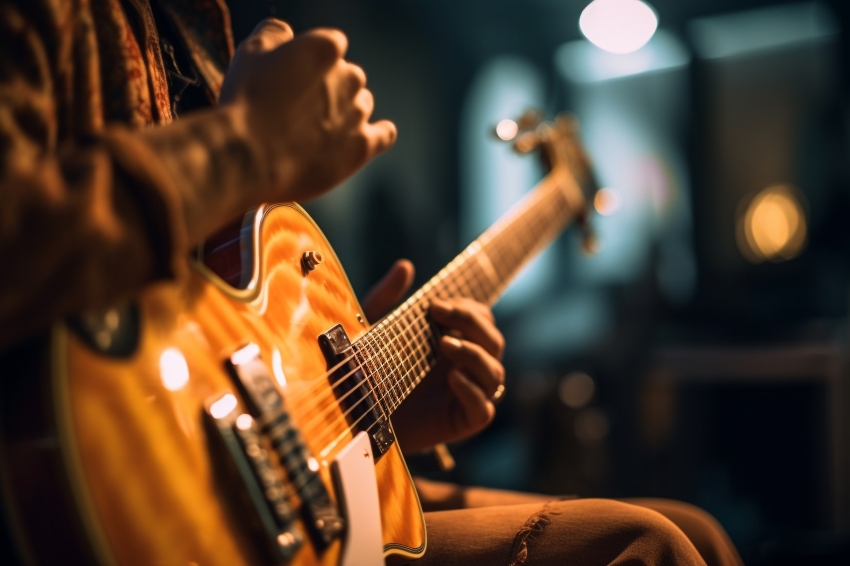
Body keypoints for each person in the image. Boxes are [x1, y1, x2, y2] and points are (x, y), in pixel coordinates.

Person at [0, 1, 743, 564]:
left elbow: (207, 321)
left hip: (235, 467)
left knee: (701, 532)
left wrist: (371, 412)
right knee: (649, 548)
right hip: (99, 480)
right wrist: (245, 144)